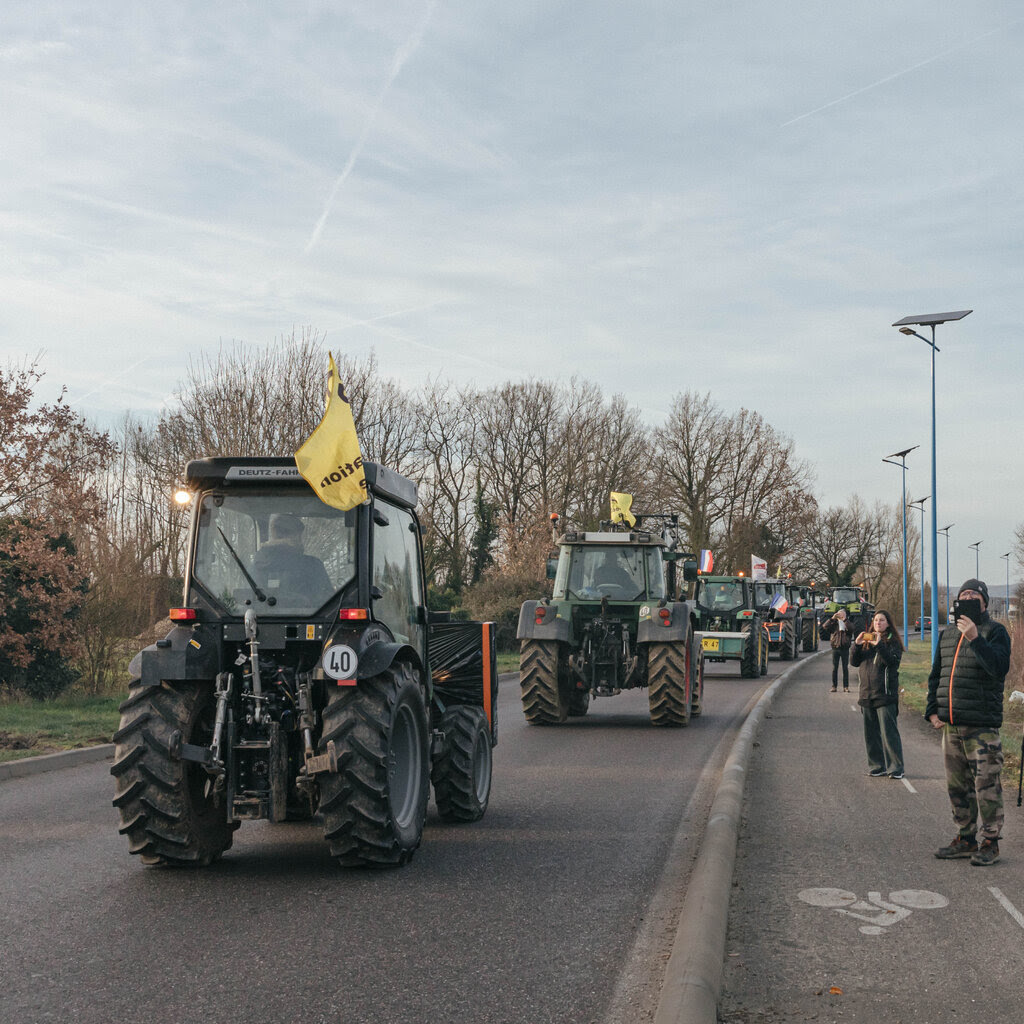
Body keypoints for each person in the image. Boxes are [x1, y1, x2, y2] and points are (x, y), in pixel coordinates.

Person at [926, 578, 1011, 866]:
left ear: (984, 601)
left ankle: (990, 842)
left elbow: (998, 669)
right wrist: (932, 710)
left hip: (981, 726)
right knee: (957, 786)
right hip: (951, 724)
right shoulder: (948, 633)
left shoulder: (995, 631)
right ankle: (965, 837)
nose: (969, 596)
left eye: (974, 594)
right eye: (964, 594)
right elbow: (936, 674)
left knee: (986, 786)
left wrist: (976, 638)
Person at [850, 610, 905, 779]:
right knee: (871, 735)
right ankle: (876, 766)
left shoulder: (893, 641)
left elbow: (892, 662)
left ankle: (896, 768)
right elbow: (854, 662)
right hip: (867, 694)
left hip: (885, 694)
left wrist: (880, 644)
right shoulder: (868, 640)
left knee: (889, 734)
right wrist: (857, 644)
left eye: (881, 620)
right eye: (875, 620)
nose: (878, 623)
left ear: (888, 623)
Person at [253, 513, 333, 604]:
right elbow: (328, 599)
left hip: (260, 617)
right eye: (299, 536)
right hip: (305, 616)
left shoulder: (256, 564)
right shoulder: (312, 565)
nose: (301, 540)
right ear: (294, 537)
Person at [820, 608, 853, 692]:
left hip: (845, 648)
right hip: (835, 648)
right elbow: (824, 626)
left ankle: (846, 687)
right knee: (835, 668)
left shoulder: (847, 623)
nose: (840, 615)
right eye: (839, 614)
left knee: (845, 668)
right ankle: (834, 686)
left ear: (845, 615)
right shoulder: (834, 624)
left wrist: (844, 619)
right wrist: (832, 618)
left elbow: (851, 629)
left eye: (842, 614)